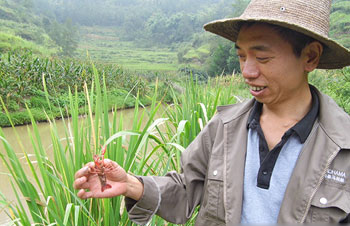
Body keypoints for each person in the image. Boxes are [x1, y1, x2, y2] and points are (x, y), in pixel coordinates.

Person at [73, 0, 350, 224]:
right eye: (242, 56)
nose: (247, 72)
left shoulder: (343, 148)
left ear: (310, 56)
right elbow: (186, 189)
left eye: (263, 58)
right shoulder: (224, 127)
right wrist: (132, 184)